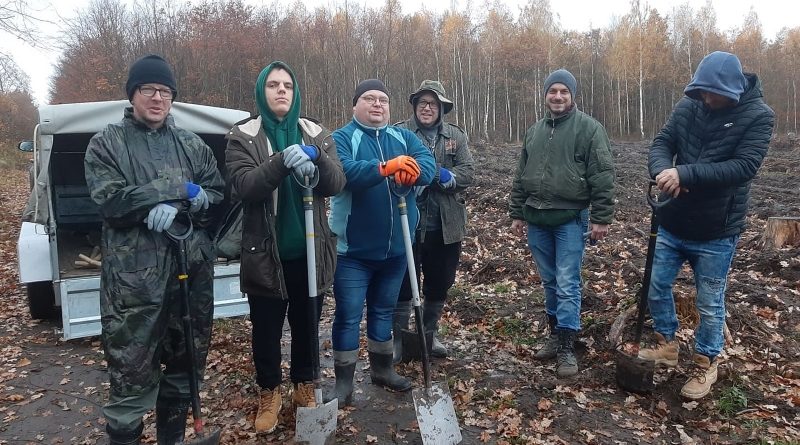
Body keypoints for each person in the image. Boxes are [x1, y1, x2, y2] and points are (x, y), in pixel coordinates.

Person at [84, 54, 224, 445]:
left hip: (190, 279)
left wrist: (197, 201)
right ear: (133, 94)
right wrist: (174, 191)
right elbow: (111, 201)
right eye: (148, 89)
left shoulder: (192, 144)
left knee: (183, 373)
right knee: (130, 380)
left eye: (165, 91)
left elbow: (216, 194)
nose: (157, 98)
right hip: (135, 288)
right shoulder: (107, 143)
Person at [639, 51, 774, 400]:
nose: (707, 99)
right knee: (655, 285)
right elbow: (663, 142)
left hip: (717, 230)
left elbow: (743, 167)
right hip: (672, 220)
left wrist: (686, 174)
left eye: (714, 94)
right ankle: (667, 345)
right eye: (702, 92)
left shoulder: (759, 116)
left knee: (710, 303)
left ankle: (706, 362)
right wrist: (662, 172)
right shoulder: (690, 105)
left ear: (732, 90)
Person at [225, 61, 345, 433]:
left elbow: (337, 183)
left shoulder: (315, 133)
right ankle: (270, 392)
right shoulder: (243, 135)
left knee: (307, 325)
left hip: (310, 252)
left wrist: (317, 159)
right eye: (273, 85)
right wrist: (280, 161)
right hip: (266, 254)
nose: (281, 90)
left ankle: (304, 386)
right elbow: (244, 186)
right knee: (266, 330)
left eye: (288, 85)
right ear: (262, 91)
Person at [327, 79, 436, 406]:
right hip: (353, 252)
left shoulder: (403, 137)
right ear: (355, 105)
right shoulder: (342, 138)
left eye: (383, 100)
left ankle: (382, 369)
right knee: (348, 314)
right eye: (369, 99)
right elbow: (345, 172)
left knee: (383, 310)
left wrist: (413, 172)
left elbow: (428, 164)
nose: (377, 104)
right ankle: (343, 382)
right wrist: (386, 168)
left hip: (396, 250)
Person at [509, 68, 615, 378]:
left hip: (570, 217)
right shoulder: (534, 131)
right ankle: (555, 335)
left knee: (568, 282)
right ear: (545, 95)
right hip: (537, 218)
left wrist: (601, 217)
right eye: (552, 91)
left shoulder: (589, 129)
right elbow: (521, 175)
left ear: (572, 95)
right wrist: (516, 212)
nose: (557, 96)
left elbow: (603, 175)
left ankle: (568, 346)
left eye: (563, 91)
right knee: (550, 280)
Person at [394, 80, 474, 361]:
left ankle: (428, 334)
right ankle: (399, 339)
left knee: (439, 282)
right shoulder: (399, 133)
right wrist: (423, 174)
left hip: (445, 223)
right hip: (408, 221)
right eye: (422, 103)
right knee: (403, 283)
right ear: (415, 106)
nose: (427, 108)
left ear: (441, 108)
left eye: (433, 104)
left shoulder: (455, 136)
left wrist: (447, 177)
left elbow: (468, 172)